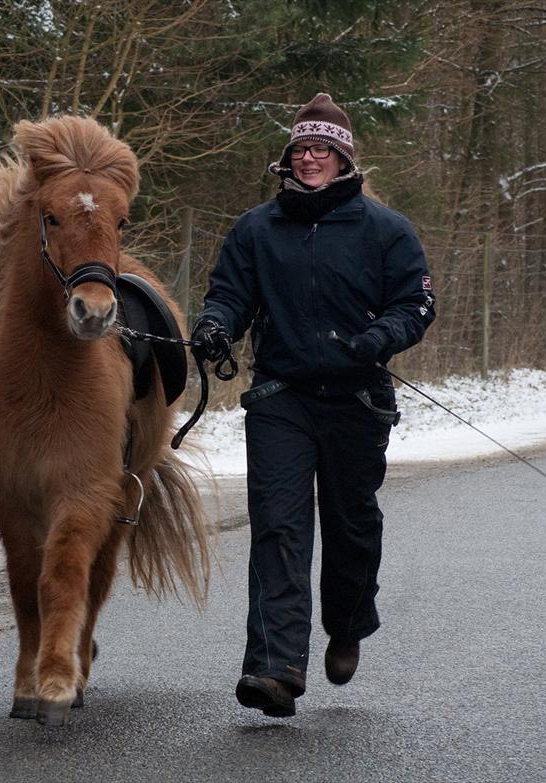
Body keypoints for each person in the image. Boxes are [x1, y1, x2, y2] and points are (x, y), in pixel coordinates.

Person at [191, 93, 436, 718]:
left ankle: (348, 624)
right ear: (287, 159)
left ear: (343, 158)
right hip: (282, 398)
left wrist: (378, 338)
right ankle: (274, 668)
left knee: (352, 527)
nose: (310, 158)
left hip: (357, 398)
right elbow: (228, 297)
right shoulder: (255, 229)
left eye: (321, 150)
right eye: (301, 149)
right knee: (279, 525)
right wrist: (217, 325)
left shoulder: (387, 230)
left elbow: (417, 304)